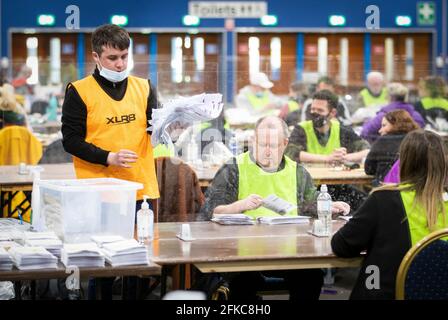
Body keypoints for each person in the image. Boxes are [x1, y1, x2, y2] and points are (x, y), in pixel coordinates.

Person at [199, 116, 349, 300]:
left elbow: (309, 201)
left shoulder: (297, 171)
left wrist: (328, 205)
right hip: (243, 255)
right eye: (262, 145)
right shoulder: (234, 168)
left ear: (285, 144)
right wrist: (240, 205)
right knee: (241, 281)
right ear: (253, 141)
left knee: (312, 276)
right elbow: (211, 211)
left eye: (273, 145)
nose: (267, 151)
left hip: (289, 252)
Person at [61, 24, 160, 299]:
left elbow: (155, 130)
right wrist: (108, 158)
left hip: (141, 189)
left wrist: (173, 127)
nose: (120, 64)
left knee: (137, 264)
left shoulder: (144, 87)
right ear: (96, 57)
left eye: (124, 56)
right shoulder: (79, 91)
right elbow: (70, 140)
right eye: (112, 58)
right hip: (99, 190)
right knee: (102, 265)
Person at [332, 130, 448, 299]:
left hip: (387, 292)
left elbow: (341, 246)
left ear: (404, 161)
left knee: (371, 279)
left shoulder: (384, 199)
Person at [286, 90, 370, 165]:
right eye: (313, 109)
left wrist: (344, 157)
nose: (314, 113)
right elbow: (291, 152)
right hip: (309, 178)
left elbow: (367, 150)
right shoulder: (301, 129)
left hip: (335, 179)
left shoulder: (342, 130)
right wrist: (328, 158)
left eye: (320, 110)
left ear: (332, 113)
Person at [364, 110, 419, 186]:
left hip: (387, 189)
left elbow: (369, 169)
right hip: (414, 189)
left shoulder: (383, 141)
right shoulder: (418, 140)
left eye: (384, 125)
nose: (380, 130)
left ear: (396, 124)